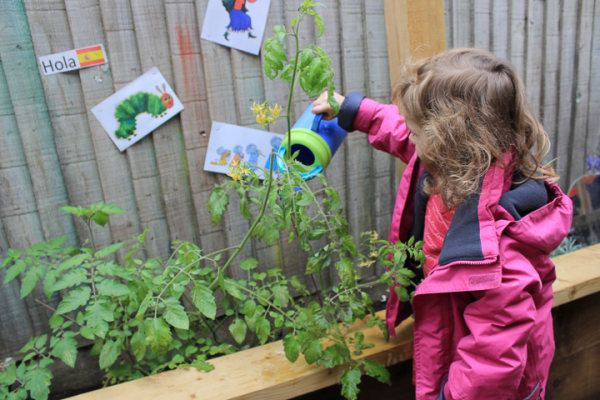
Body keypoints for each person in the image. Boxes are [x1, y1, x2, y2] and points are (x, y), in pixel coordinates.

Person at [312, 48, 573, 400]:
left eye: (417, 132)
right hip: (451, 328)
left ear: (447, 143)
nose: (410, 138)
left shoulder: (501, 247)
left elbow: (492, 361)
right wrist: (356, 111)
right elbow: (401, 132)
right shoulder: (462, 163)